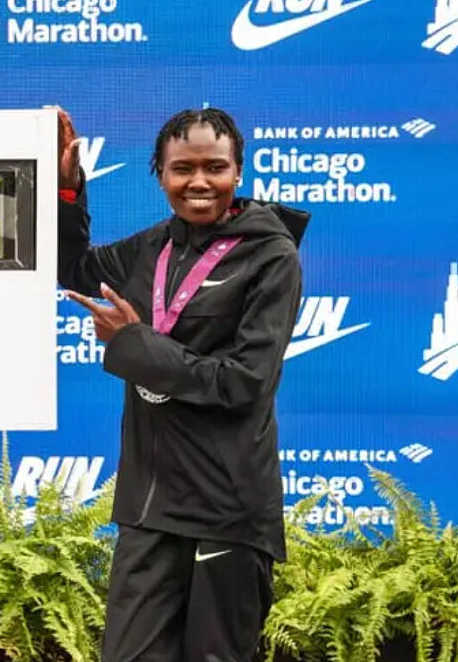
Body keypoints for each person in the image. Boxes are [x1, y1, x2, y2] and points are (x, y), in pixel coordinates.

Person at [56, 106, 309, 662]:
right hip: (150, 507)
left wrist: (134, 344)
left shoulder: (272, 256)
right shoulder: (151, 249)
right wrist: (67, 192)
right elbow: (72, 269)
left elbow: (245, 382)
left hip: (228, 509)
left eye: (215, 167)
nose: (199, 181)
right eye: (182, 168)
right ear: (161, 175)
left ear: (237, 171)